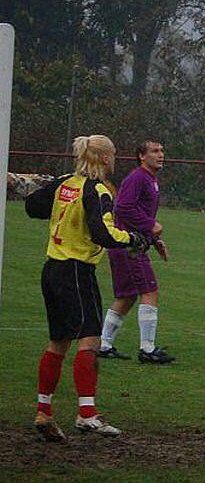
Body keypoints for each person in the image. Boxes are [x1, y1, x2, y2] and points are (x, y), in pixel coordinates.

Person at [25, 135, 148, 441]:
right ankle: (87, 414)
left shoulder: (66, 182)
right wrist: (134, 239)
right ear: (105, 158)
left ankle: (44, 411)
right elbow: (102, 232)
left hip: (51, 269)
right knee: (90, 340)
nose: (116, 158)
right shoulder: (99, 189)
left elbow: (33, 206)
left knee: (58, 342)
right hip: (77, 271)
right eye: (114, 154)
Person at [99, 140, 174, 364]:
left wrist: (155, 239)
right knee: (150, 290)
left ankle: (103, 344)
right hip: (128, 246)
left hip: (131, 244)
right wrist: (150, 225)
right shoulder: (138, 177)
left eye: (161, 150)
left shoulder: (150, 179)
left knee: (127, 295)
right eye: (154, 151)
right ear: (142, 156)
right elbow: (123, 207)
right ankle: (147, 349)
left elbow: (136, 211)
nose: (160, 155)